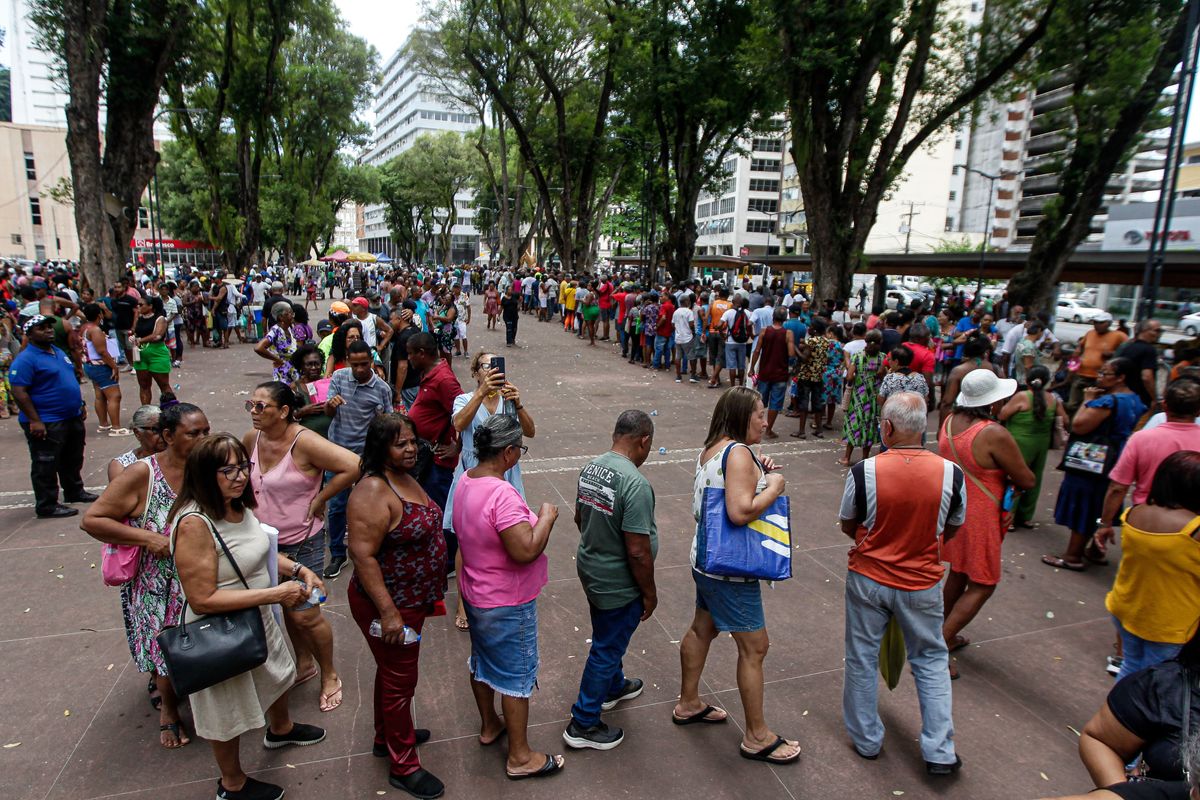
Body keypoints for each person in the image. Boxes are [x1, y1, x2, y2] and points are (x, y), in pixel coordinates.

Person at [170, 433, 327, 800]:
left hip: (257, 615)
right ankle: (232, 784)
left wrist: (298, 569)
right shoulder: (194, 523)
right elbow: (202, 598)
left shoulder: (238, 506)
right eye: (229, 470)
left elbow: (259, 551)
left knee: (277, 674)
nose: (240, 476)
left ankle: (281, 729)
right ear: (205, 474)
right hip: (221, 629)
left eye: (244, 466)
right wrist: (277, 594)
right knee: (227, 711)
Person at [838, 392, 965, 774]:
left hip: (869, 578)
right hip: (923, 583)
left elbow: (848, 523)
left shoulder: (865, 470)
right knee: (931, 661)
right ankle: (939, 751)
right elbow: (954, 526)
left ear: (888, 428)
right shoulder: (951, 473)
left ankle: (867, 740)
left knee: (861, 657)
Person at [673, 387, 800, 765]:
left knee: (702, 628)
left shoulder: (715, 448)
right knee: (754, 646)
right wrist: (774, 486)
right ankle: (758, 736)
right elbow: (740, 512)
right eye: (759, 414)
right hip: (731, 570)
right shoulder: (739, 453)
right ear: (741, 416)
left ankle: (688, 702)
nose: (765, 421)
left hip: (706, 559)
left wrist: (759, 474)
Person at [81, 402, 210, 749]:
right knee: (165, 653)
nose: (202, 439)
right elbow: (93, 520)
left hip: (202, 575)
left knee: (210, 645)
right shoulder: (142, 473)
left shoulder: (208, 467)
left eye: (205, 432)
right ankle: (169, 712)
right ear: (167, 436)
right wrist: (148, 537)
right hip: (158, 584)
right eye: (193, 433)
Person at [452, 415, 565, 780]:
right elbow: (525, 549)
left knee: (482, 663)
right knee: (516, 678)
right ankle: (520, 756)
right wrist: (546, 517)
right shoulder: (501, 493)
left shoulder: (467, 479)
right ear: (510, 452)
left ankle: (490, 725)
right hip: (505, 601)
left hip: (476, 592)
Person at [347, 414, 447, 799]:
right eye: (400, 444)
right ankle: (403, 765)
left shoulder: (403, 476)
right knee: (400, 679)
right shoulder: (373, 490)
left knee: (391, 674)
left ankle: (385, 736)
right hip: (389, 606)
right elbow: (363, 556)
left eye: (411, 442)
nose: (410, 450)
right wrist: (388, 612)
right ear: (380, 448)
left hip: (412, 600)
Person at [244, 381, 360, 713]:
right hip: (263, 543)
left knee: (307, 615)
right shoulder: (253, 437)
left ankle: (329, 672)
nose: (254, 412)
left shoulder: (305, 441)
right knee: (283, 611)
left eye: (261, 406)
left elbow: (353, 465)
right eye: (251, 405)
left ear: (283, 412)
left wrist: (321, 497)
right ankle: (303, 662)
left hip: (303, 543)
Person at [564, 410, 657, 751]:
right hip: (617, 580)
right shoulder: (634, 483)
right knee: (606, 646)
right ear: (643, 441)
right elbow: (638, 550)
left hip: (592, 568)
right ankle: (584, 721)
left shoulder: (592, 466)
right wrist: (649, 593)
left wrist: (599, 547)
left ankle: (613, 686)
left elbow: (579, 516)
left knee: (607, 632)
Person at [939, 370, 1036, 679]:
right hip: (980, 515)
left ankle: (943, 634)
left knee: (959, 571)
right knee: (983, 583)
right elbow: (1026, 478)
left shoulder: (949, 421)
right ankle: (936, 647)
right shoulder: (992, 433)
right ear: (993, 401)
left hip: (955, 507)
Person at [444, 351, 535, 630]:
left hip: (506, 475)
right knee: (466, 541)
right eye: (486, 366)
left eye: (495, 366)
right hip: (474, 474)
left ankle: (502, 592)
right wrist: (481, 393)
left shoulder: (508, 399)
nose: (491, 371)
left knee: (507, 535)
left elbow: (530, 432)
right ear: (475, 372)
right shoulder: (464, 399)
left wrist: (518, 405)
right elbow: (458, 424)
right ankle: (462, 600)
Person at [1100, 451, 1200, 682]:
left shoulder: (1134, 513)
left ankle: (1115, 712)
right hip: (1169, 623)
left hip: (1128, 608)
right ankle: (1126, 715)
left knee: (1130, 666)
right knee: (1154, 683)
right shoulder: (1193, 530)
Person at [1045, 357, 1147, 571]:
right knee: (1102, 501)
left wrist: (1087, 400)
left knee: (1083, 502)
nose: (1099, 377)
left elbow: (1078, 426)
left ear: (1121, 377)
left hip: (1092, 459)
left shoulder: (1106, 402)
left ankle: (1072, 555)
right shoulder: (1135, 400)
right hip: (1115, 456)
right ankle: (1096, 549)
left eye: (1105, 373)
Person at [9, 315, 95, 518]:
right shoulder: (26, 359)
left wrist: (79, 404)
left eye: (49, 327)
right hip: (47, 419)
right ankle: (47, 504)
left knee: (72, 456)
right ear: (29, 334)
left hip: (70, 415)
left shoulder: (56, 351)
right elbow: (19, 391)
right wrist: (35, 420)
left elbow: (68, 378)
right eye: (41, 328)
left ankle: (74, 490)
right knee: (45, 461)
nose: (48, 330)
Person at [323, 340, 395, 579]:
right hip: (338, 453)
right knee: (336, 506)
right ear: (348, 361)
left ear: (372, 361)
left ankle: (372, 551)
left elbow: (387, 424)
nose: (360, 369)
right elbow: (328, 412)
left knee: (371, 507)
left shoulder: (382, 389)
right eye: (355, 365)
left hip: (366, 457)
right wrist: (331, 405)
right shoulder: (339, 377)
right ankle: (337, 553)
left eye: (364, 364)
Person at [1000, 365, 1068, 530]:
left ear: (1027, 379)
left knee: (1014, 477)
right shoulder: (1053, 399)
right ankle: (1026, 517)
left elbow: (1002, 415)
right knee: (1034, 479)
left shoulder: (1022, 396)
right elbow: (1065, 420)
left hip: (1019, 443)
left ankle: (1009, 515)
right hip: (1041, 445)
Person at [406, 332, 462, 518]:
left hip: (436, 462)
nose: (408, 358)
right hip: (426, 458)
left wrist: (457, 447)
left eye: (410, 353)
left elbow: (466, 414)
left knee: (441, 513)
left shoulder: (444, 380)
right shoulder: (430, 374)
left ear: (421, 353)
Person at [80, 303, 128, 436]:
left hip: (90, 365)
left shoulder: (84, 327)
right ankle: (116, 427)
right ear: (99, 315)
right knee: (114, 395)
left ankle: (104, 424)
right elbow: (102, 351)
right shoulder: (95, 330)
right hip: (100, 366)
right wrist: (114, 366)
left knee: (100, 395)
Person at [840, 329, 886, 466]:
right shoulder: (883, 358)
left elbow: (849, 376)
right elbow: (884, 375)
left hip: (858, 398)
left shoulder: (858, 357)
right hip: (874, 398)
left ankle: (847, 458)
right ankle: (865, 458)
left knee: (854, 425)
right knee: (870, 426)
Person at [1069, 312, 1128, 413]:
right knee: (1073, 404)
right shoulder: (1090, 333)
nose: (1097, 325)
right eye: (1095, 322)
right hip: (1082, 374)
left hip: (1101, 377)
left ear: (1109, 323)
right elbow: (1080, 346)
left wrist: (1113, 354)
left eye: (1100, 323)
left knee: (1094, 405)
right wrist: (1076, 355)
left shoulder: (1118, 336)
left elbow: (1127, 351)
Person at [749, 307, 790, 439]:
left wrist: (752, 368)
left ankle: (755, 426)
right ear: (784, 319)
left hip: (765, 371)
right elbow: (791, 354)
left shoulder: (764, 331)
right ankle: (769, 429)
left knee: (760, 401)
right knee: (775, 403)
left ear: (773, 317)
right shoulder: (788, 333)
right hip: (781, 373)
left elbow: (757, 351)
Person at [129, 295, 173, 406]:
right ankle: (145, 411)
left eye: (141, 305)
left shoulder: (160, 319)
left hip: (157, 353)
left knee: (163, 385)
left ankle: (171, 409)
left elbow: (157, 335)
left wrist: (140, 340)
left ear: (150, 306)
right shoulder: (139, 317)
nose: (138, 307)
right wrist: (134, 337)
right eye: (137, 305)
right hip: (141, 354)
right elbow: (134, 331)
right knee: (143, 385)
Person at [792, 317, 828, 439]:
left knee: (803, 403)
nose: (809, 328)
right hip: (818, 376)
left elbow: (804, 358)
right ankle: (819, 430)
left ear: (815, 329)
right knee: (817, 403)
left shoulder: (811, 342)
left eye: (811, 326)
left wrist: (795, 347)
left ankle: (801, 431)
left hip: (806, 376)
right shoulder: (826, 341)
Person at [108, 404, 164, 482]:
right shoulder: (121, 466)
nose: (163, 434)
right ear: (137, 433)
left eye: (165, 428)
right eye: (155, 429)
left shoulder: (176, 458)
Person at [255, 302, 300, 384]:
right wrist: (277, 360)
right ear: (281, 317)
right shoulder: (276, 331)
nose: (292, 315)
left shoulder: (290, 328)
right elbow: (258, 348)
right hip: (282, 373)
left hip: (294, 371)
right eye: (289, 313)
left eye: (292, 313)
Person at [822, 321, 846, 430]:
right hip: (837, 373)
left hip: (825, 372)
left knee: (821, 397)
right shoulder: (842, 346)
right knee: (832, 400)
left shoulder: (825, 344)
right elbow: (844, 361)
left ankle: (819, 418)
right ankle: (829, 422)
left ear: (831, 333)